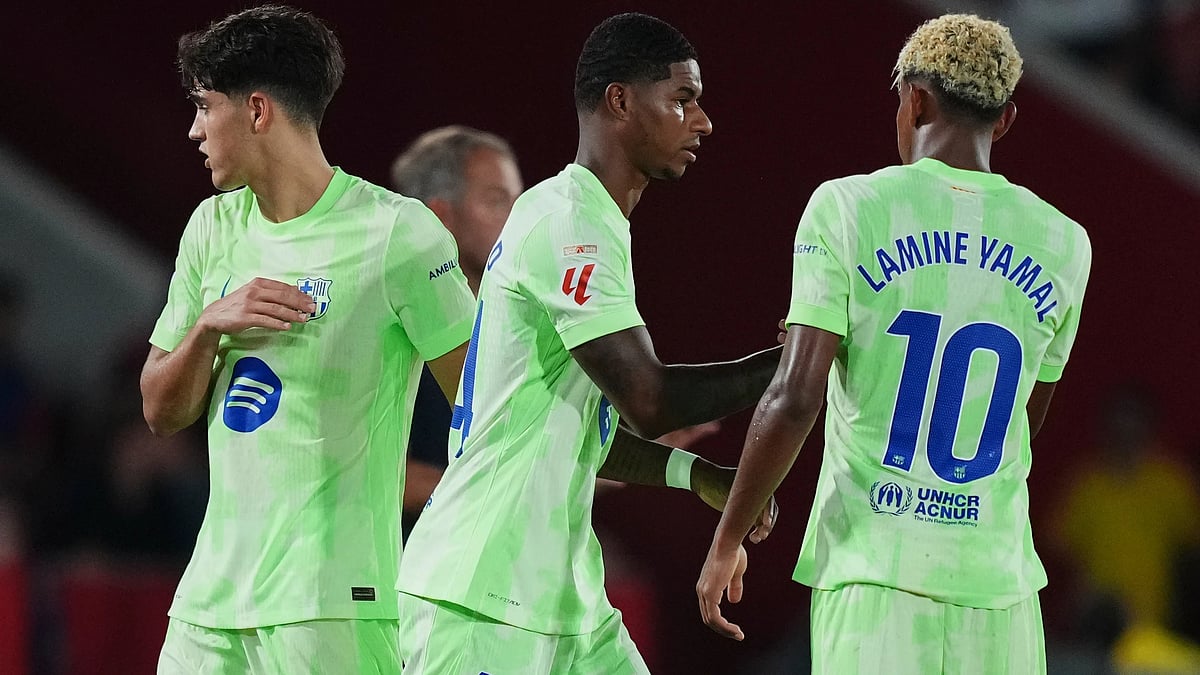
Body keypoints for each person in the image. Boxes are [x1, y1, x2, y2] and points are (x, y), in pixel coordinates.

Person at [697, 13, 1092, 674]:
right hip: (1000, 591)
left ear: (913, 98)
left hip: (875, 573)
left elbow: (796, 397)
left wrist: (728, 535)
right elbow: (1026, 413)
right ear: (1005, 120)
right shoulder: (1064, 243)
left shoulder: (850, 206)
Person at [397, 13, 780, 674]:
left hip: (565, 599)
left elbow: (585, 426)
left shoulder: (586, 217)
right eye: (683, 99)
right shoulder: (572, 223)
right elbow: (649, 400)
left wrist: (698, 475)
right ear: (621, 102)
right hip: (482, 599)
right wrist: (797, 359)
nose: (703, 120)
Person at [139, 5, 476, 672]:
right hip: (209, 605)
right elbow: (159, 409)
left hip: (331, 607)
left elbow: (490, 402)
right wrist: (209, 327)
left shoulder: (396, 235)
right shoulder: (211, 229)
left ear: (258, 110)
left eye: (206, 107)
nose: (194, 129)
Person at [389, 126, 523, 533]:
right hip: (401, 575)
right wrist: (483, 492)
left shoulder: (518, 326)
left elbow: (535, 468)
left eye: (520, 201)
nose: (517, 220)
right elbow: (350, 464)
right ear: (438, 216)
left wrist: (651, 454)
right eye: (497, 200)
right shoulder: (390, 325)